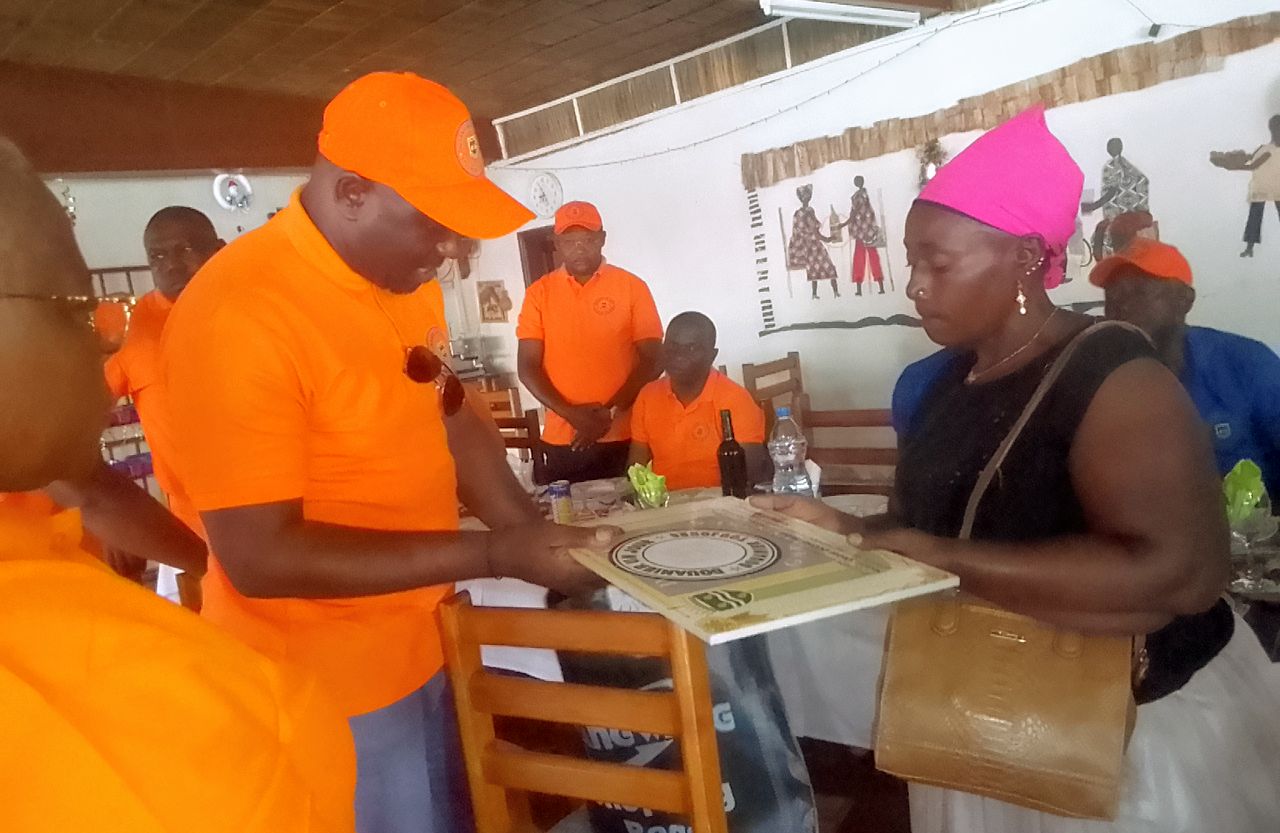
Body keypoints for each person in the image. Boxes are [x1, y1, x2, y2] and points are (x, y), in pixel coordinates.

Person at [759, 106, 1280, 832]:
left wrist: (942, 559)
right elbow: (937, 529)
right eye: (912, 261)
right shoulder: (938, 384)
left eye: (938, 263)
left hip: (1125, 740)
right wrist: (843, 527)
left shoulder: (1116, 377)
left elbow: (1179, 575)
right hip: (986, 713)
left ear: (1028, 258)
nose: (915, 286)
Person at [162, 72, 615, 833]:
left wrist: (531, 531)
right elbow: (259, 555)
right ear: (352, 193)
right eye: (436, 223)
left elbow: (448, 412)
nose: (452, 249)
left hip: (428, 642)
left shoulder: (402, 281)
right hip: (327, 688)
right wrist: (496, 552)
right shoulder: (238, 312)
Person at [0, 135, 356, 833]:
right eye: (81, 312)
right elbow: (81, 476)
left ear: (217, 247)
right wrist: (207, 561)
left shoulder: (273, 313)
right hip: (202, 550)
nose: (104, 337)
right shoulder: (223, 723)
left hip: (297, 548)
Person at [95, 206, 224, 592]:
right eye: (158, 256)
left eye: (185, 249)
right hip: (191, 530)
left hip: (288, 511)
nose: (172, 265)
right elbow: (73, 426)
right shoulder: (130, 329)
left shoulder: (262, 311)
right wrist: (112, 518)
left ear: (220, 250)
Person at [1091, 238, 1280, 497]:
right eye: (1112, 296)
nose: (1121, 305)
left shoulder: (1245, 362)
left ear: (1185, 300)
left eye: (1139, 291)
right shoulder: (1096, 379)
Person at [516, 200, 663, 483]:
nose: (579, 248)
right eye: (569, 241)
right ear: (556, 243)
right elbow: (527, 367)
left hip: (626, 436)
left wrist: (609, 413)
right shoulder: (538, 294)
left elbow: (653, 359)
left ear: (602, 239)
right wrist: (572, 415)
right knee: (568, 510)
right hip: (564, 439)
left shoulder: (632, 287)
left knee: (632, 508)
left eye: (588, 239)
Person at [628, 312, 768, 490]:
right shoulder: (647, 396)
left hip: (720, 500)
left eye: (692, 348)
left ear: (712, 355)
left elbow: (750, 475)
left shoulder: (735, 399)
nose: (678, 355)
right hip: (665, 501)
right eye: (672, 346)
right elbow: (636, 468)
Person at [1081, 137, 1150, 256]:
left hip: (1120, 216)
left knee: (1100, 238)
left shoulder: (1111, 167)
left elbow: (1111, 191)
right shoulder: (1129, 166)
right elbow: (1142, 181)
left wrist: (1093, 206)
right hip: (1133, 213)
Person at [1237, 115, 1280, 258]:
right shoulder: (1265, 149)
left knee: (1255, 215)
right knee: (1255, 215)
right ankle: (1249, 247)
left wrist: (1233, 165)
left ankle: (1249, 247)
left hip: (1264, 187)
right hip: (1270, 187)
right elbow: (1251, 160)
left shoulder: (1265, 149)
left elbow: (1252, 164)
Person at [787, 184, 840, 299]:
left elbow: (806, 232)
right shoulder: (807, 212)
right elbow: (815, 232)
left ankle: (819, 294)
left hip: (807, 247)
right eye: (805, 197)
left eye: (807, 197)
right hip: (814, 246)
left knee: (814, 270)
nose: (807, 199)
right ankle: (831, 292)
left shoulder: (800, 213)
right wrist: (828, 239)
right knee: (828, 268)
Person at [842, 176, 886, 295]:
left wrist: (845, 224)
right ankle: (874, 287)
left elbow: (855, 213)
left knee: (861, 258)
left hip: (863, 231)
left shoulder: (860, 197)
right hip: (866, 230)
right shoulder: (863, 196)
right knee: (869, 257)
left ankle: (864, 288)